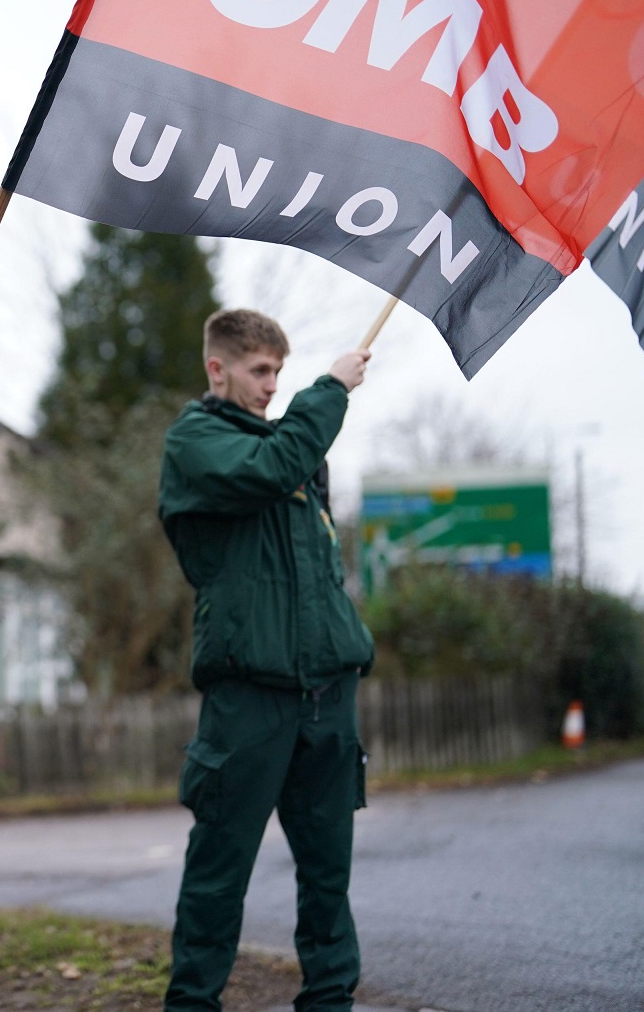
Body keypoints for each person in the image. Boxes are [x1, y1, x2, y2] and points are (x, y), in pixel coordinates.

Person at [157, 309, 374, 1011]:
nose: (272, 385)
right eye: (259, 370)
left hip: (326, 689)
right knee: (219, 873)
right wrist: (329, 388)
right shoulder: (197, 441)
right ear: (217, 368)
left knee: (328, 874)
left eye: (279, 372)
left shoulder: (294, 443)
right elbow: (273, 466)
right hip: (249, 694)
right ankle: (192, 1003)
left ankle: (331, 1000)